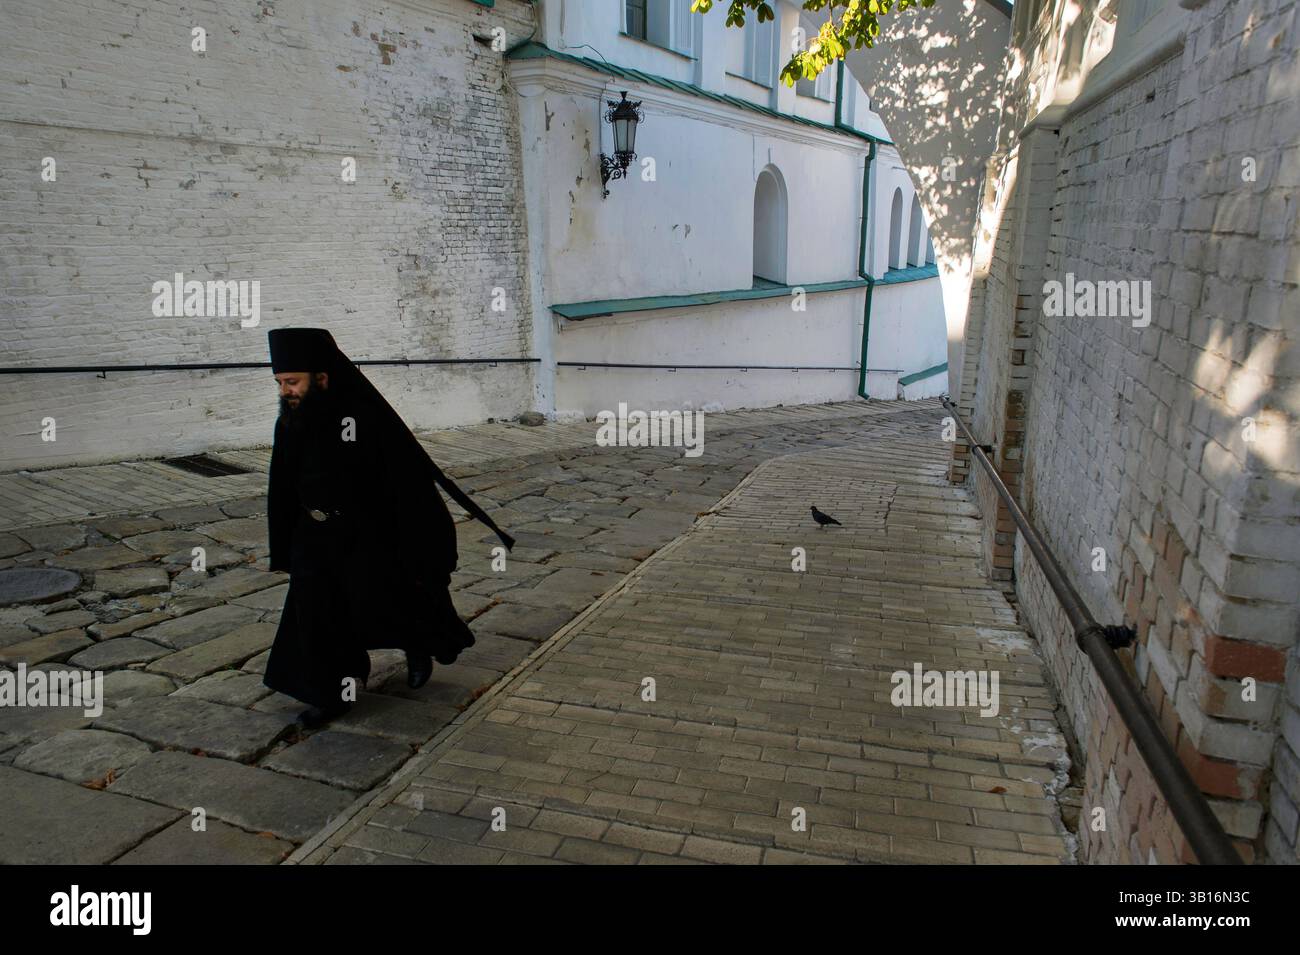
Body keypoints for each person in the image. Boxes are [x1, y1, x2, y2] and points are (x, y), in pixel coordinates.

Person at [262, 327, 515, 728]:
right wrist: (287, 543)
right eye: (280, 383)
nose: (285, 391)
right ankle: (331, 695)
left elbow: (407, 487)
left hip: (367, 535)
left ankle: (418, 647)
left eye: (292, 382)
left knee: (385, 600)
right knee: (316, 613)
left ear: (322, 377)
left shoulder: (362, 419)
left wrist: (419, 545)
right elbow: (283, 485)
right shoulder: (291, 420)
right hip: (315, 538)